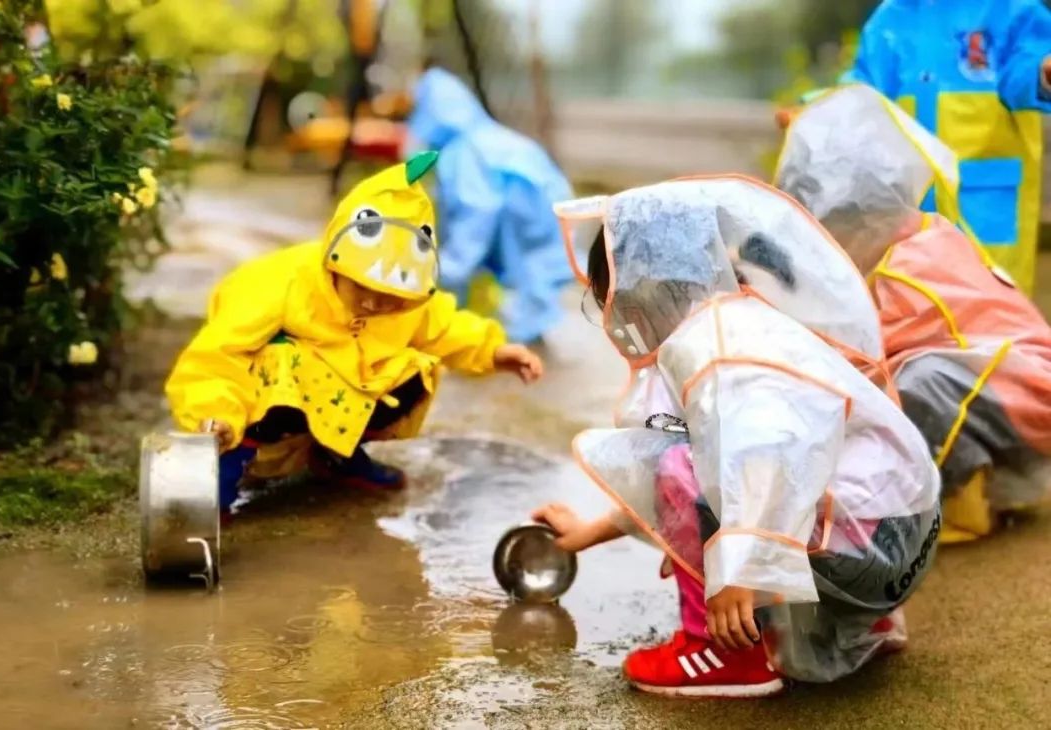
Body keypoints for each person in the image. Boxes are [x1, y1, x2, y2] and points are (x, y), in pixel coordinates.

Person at [533, 177, 941, 698]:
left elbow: (758, 454)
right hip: (901, 540)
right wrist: (592, 532)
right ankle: (860, 626)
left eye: (615, 300)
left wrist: (736, 572)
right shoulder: (744, 317)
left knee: (678, 466)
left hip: (861, 550)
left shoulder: (713, 347)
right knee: (702, 472)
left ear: (641, 290)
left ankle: (724, 654)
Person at [165, 152, 543, 506]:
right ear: (335, 263)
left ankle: (336, 454)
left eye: (390, 297)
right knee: (282, 364)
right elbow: (217, 355)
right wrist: (217, 414)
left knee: (413, 373)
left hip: (336, 396)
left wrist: (493, 351)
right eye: (362, 287)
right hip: (268, 400)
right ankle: (228, 464)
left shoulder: (407, 304)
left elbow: (442, 325)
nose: (374, 304)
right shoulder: (279, 283)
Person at [776, 83, 1051, 544]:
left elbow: (862, 357)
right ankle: (993, 487)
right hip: (1005, 389)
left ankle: (965, 507)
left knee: (911, 383)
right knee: (914, 379)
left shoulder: (909, 268)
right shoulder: (920, 235)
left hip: (1026, 392)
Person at [844, 0, 1051, 293]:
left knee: (993, 321)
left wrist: (1042, 75)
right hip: (908, 218)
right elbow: (859, 92)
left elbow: (1024, 71)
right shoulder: (891, 18)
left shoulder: (1013, 10)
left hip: (986, 217)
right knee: (913, 319)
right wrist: (815, 109)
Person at [404, 66, 573, 345]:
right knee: (533, 280)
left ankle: (515, 349)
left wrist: (443, 271)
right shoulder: (488, 136)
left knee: (525, 286)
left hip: (527, 215)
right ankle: (527, 342)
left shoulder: (463, 152)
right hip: (547, 209)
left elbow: (475, 213)